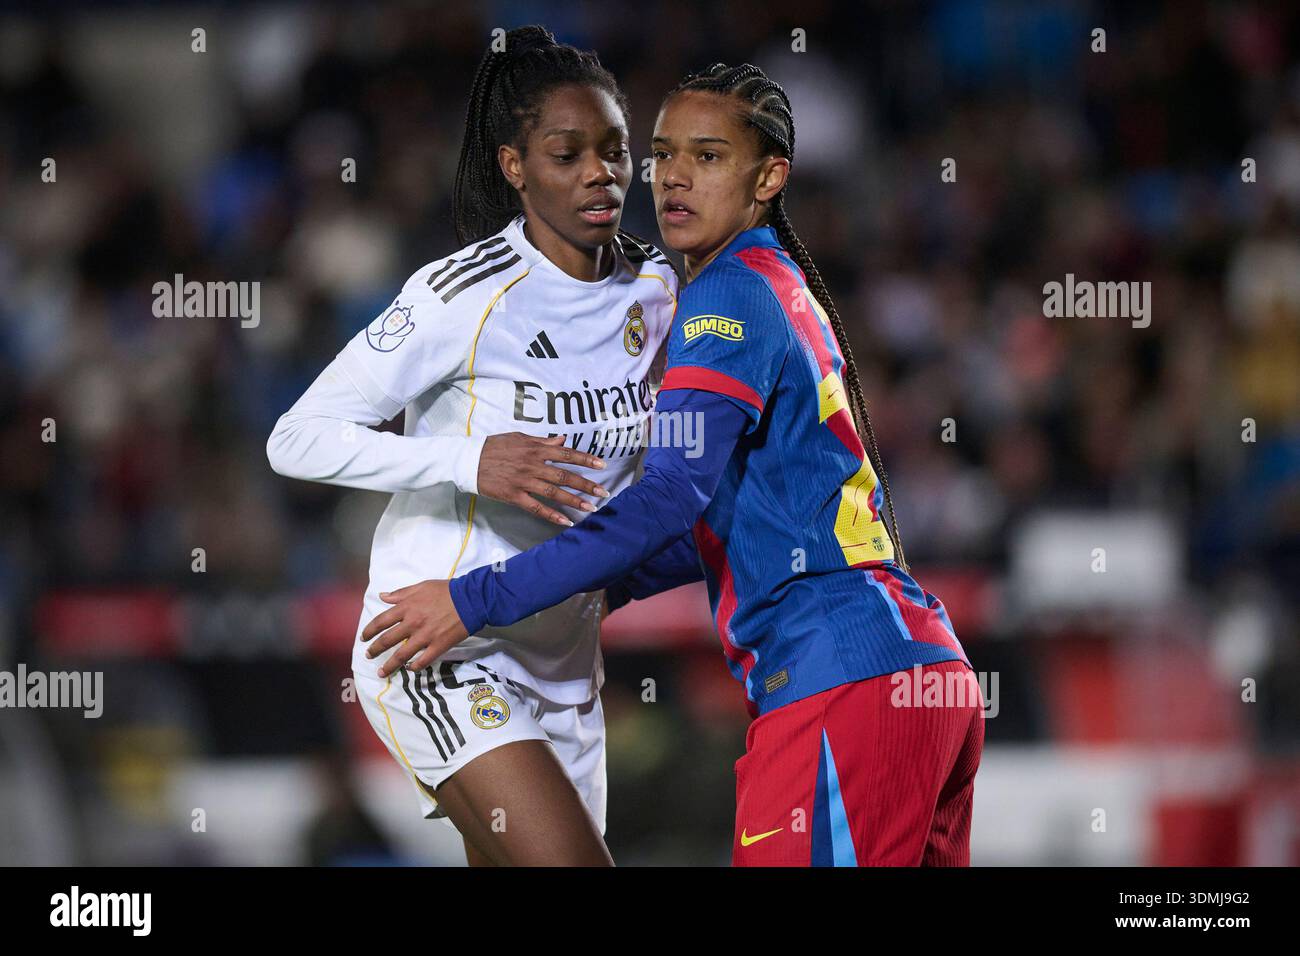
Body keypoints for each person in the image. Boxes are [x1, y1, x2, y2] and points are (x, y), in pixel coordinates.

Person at [361, 62, 984, 867]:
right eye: (661, 155)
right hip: (921, 675)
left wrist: (477, 598)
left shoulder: (723, 299)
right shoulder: (782, 285)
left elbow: (667, 498)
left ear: (770, 178)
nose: (675, 179)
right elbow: (728, 520)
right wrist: (602, 585)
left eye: (710, 156)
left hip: (841, 684)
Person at [267, 26, 678, 866]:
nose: (601, 172)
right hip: (440, 642)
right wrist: (468, 460)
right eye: (568, 153)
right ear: (514, 167)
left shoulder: (658, 291)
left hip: (565, 672)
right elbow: (296, 439)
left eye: (615, 149)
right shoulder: (461, 295)